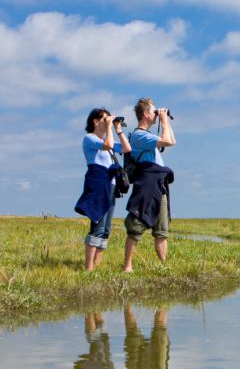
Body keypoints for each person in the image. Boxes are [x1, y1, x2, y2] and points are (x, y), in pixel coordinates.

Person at [75, 108, 132, 271]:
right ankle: (89, 268)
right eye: (104, 119)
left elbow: (127, 149)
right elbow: (107, 145)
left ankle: (97, 265)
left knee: (106, 228)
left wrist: (118, 129)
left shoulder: (108, 139)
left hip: (111, 185)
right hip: (98, 183)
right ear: (95, 121)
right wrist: (109, 126)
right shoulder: (89, 138)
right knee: (98, 225)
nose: (108, 121)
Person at [123, 98, 176, 272]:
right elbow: (167, 141)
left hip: (158, 183)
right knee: (136, 225)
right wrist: (163, 120)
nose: (156, 114)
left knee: (162, 230)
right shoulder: (139, 135)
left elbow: (171, 141)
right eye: (153, 112)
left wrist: (165, 120)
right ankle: (127, 266)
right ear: (145, 114)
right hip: (146, 182)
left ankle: (163, 267)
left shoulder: (149, 136)